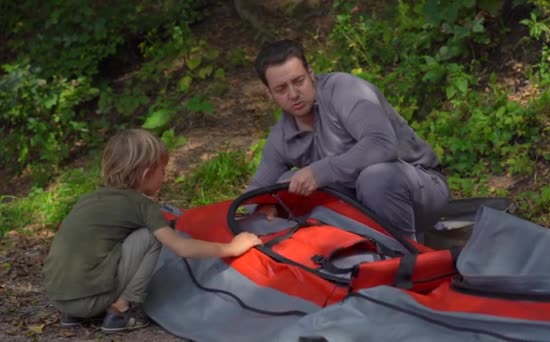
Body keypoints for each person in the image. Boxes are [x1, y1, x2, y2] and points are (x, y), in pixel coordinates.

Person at [43, 129, 262, 333]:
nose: (164, 175)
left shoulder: (88, 199)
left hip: (59, 297)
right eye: (162, 169)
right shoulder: (142, 205)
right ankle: (120, 310)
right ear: (147, 173)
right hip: (89, 301)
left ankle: (75, 313)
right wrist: (231, 247)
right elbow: (182, 247)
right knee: (150, 236)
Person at [248, 39, 449, 240]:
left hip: (421, 188)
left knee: (376, 178)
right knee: (286, 185)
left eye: (298, 81)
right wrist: (265, 205)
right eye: (281, 89)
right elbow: (254, 195)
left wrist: (319, 172)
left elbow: (382, 144)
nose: (293, 94)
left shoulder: (344, 90)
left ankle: (408, 258)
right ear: (269, 93)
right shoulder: (280, 136)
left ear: (310, 73)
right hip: (357, 203)